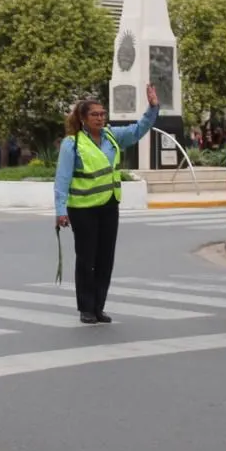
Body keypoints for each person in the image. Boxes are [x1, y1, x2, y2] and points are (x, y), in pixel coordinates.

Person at [54, 83, 160, 324]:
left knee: (105, 258)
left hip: (109, 206)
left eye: (103, 114)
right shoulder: (72, 144)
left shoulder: (112, 136)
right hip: (82, 209)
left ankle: (99, 306)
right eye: (95, 114)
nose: (100, 118)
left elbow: (138, 130)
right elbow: (62, 179)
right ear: (82, 118)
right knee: (86, 258)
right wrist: (61, 211)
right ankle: (86, 308)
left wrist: (152, 108)